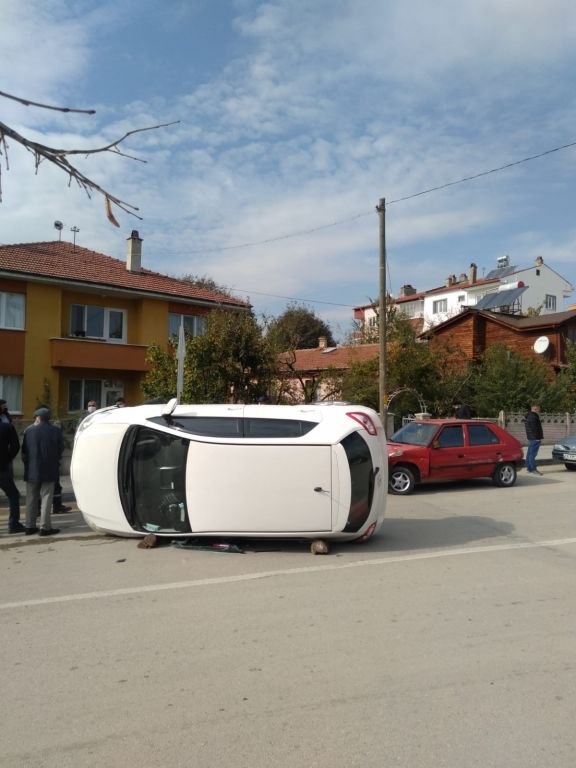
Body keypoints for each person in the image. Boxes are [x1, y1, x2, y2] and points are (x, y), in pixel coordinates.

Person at [22, 407, 64, 536]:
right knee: (46, 497)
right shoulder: (56, 431)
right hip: (49, 468)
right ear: (48, 418)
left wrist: (28, 464)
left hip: (31, 470)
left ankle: (29, 525)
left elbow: (24, 452)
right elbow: (60, 449)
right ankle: (45, 527)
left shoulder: (28, 431)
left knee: (31, 498)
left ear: (38, 418)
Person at [0, 420, 25, 533]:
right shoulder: (7, 427)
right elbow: (15, 446)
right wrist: (7, 458)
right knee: (13, 495)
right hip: (3, 469)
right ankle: (13, 524)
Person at [524, 403, 544, 475]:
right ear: (535, 409)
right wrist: (538, 438)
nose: (539, 411)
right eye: (538, 409)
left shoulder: (529, 416)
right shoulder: (533, 417)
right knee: (532, 454)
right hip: (535, 438)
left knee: (530, 453)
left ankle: (529, 468)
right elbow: (534, 429)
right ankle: (533, 469)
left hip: (531, 437)